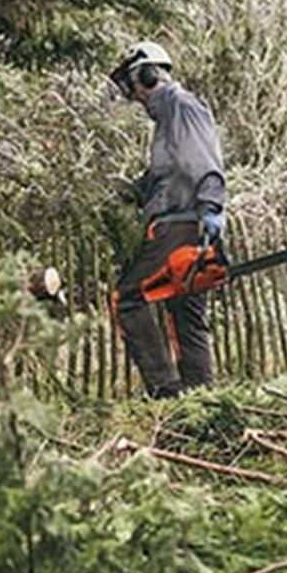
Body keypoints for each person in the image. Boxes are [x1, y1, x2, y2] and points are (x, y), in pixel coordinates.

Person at [108, 41, 226, 398]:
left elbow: (201, 159)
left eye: (133, 85)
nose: (134, 96)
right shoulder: (168, 117)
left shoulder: (180, 106)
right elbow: (167, 172)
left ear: (147, 74)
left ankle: (164, 390)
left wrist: (211, 206)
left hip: (179, 223)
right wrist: (131, 190)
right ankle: (200, 398)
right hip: (184, 218)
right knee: (184, 308)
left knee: (127, 297)